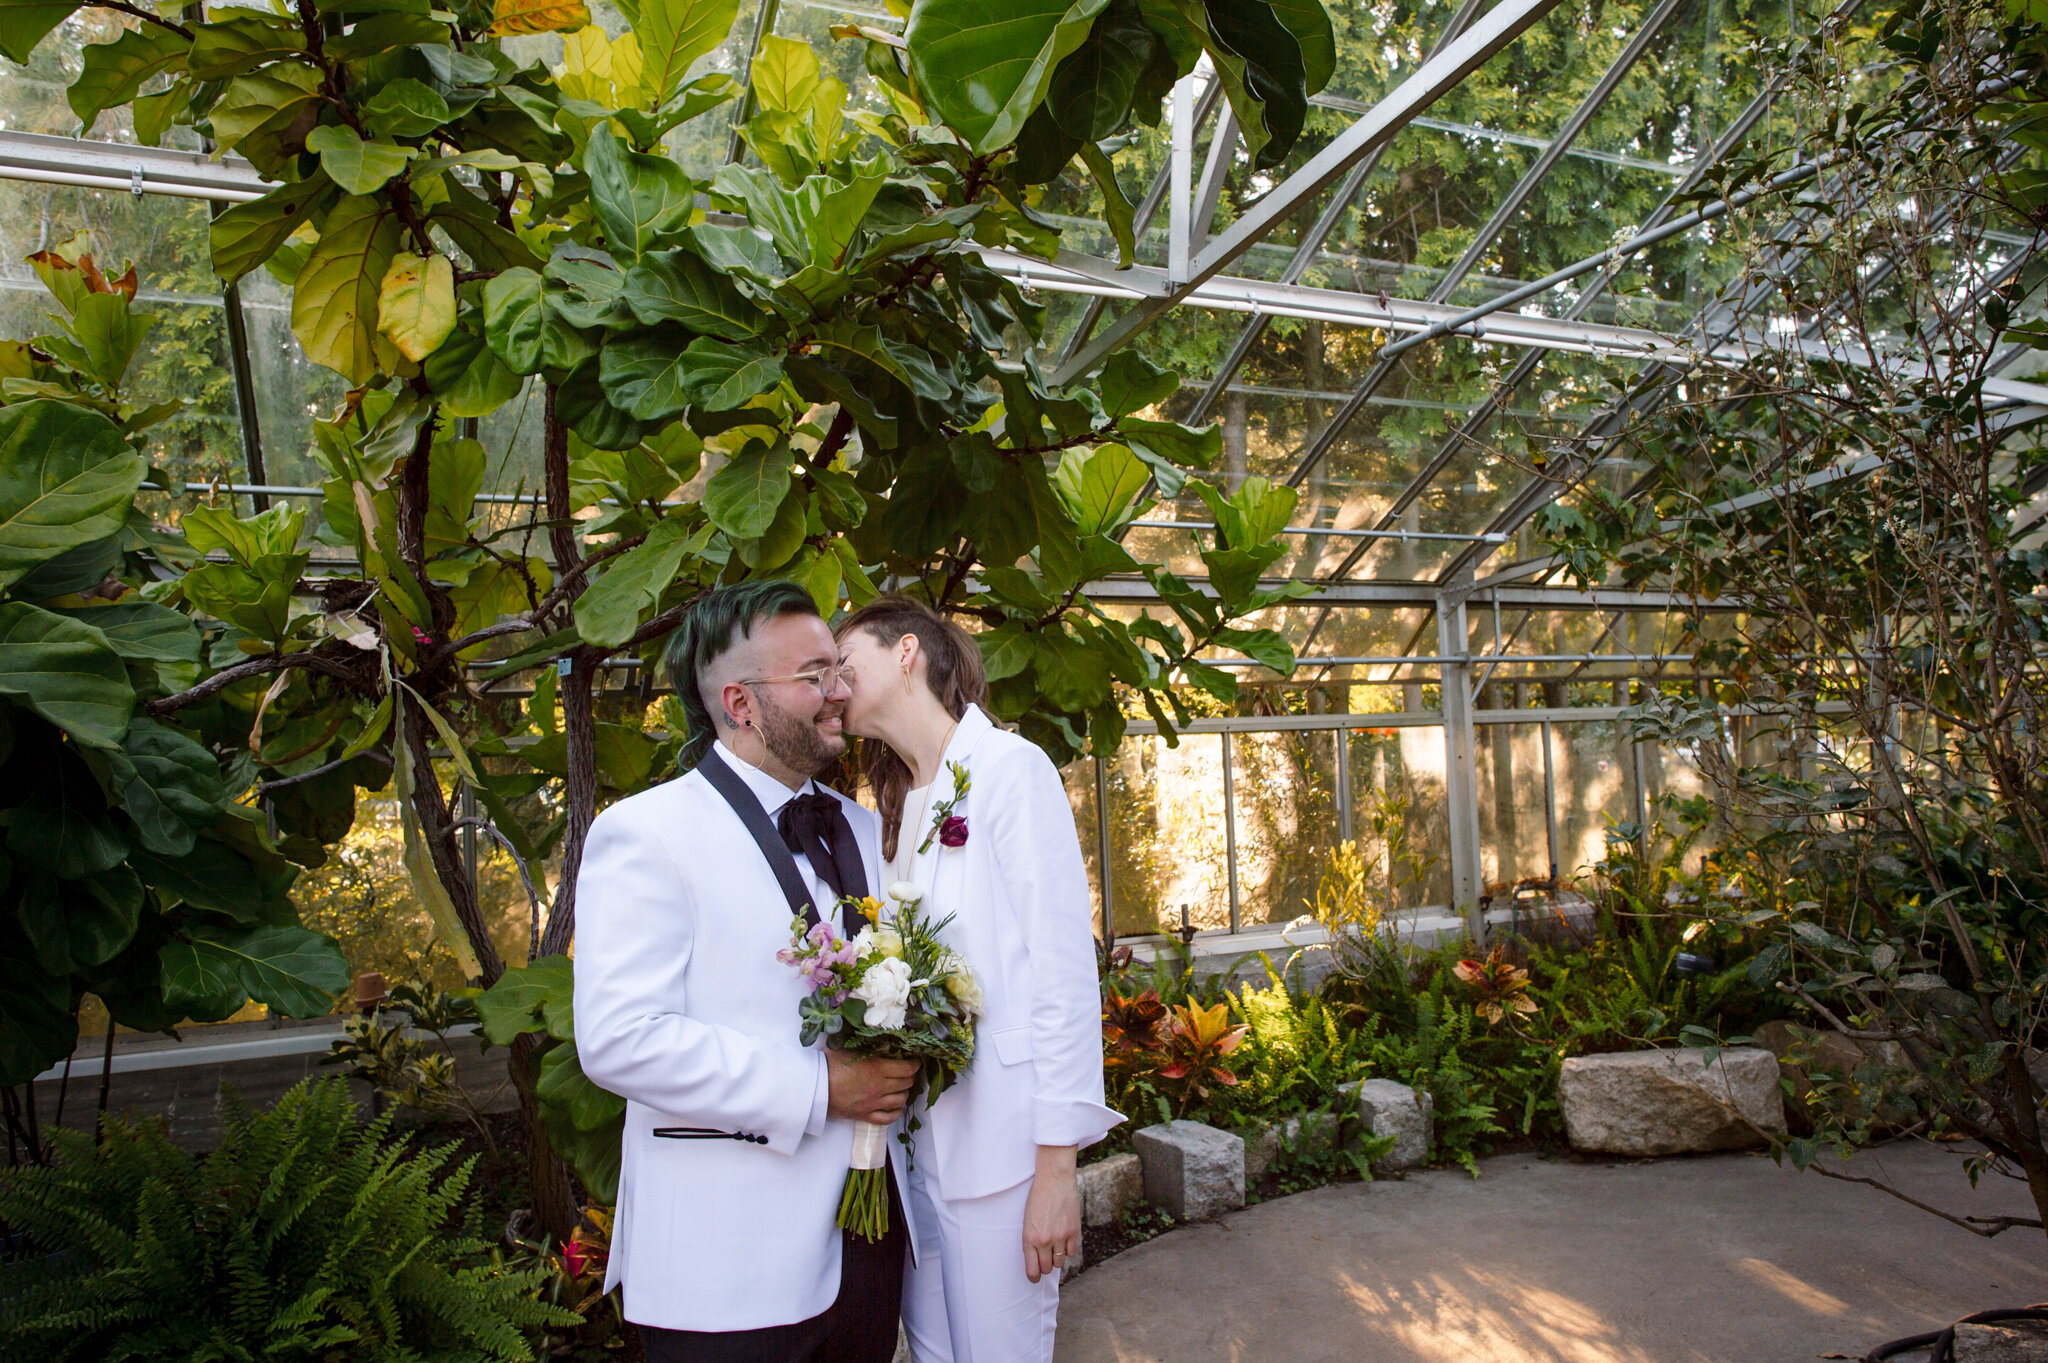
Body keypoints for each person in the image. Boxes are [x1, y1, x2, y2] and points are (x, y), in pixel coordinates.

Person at [574, 579, 919, 1363]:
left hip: (867, 1249)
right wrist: (820, 1087)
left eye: (838, 668)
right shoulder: (644, 834)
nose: (839, 693)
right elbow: (621, 1040)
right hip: (723, 1275)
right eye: (813, 676)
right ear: (740, 702)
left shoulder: (866, 829)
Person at [833, 596, 1120, 1363]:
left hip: (1003, 1159)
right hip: (919, 1153)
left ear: (904, 652)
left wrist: (1057, 1171)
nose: (832, 681)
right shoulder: (889, 808)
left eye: (844, 659)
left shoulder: (1010, 770)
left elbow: (1063, 977)